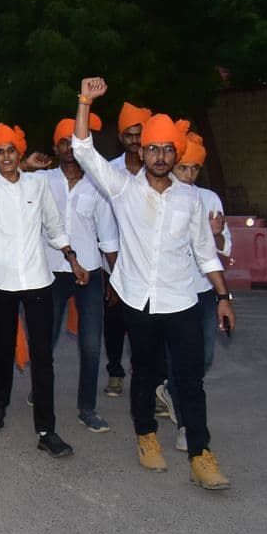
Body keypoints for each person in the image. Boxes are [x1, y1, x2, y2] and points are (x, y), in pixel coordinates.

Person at [73, 78, 233, 489]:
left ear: (175, 153)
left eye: (167, 149)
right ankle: (146, 437)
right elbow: (82, 149)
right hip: (137, 299)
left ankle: (201, 454)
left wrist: (223, 296)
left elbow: (204, 252)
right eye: (153, 149)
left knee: (190, 378)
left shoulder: (192, 200)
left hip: (181, 300)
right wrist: (85, 101)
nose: (160, 156)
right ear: (141, 151)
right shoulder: (123, 188)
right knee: (144, 372)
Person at [0, 122, 84, 458]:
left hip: (39, 281)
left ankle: (47, 429)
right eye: (0, 151)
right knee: (1, 348)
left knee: (43, 356)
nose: (6, 156)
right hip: (2, 283)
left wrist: (72, 258)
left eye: (11, 150)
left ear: (19, 152)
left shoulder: (38, 186)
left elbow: (54, 225)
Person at [45, 115, 120, 433]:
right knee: (43, 342)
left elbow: (108, 237)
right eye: (63, 142)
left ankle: (87, 407)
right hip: (49, 272)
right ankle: (42, 394)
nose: (68, 147)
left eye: (72, 142)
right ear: (55, 146)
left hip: (89, 272)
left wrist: (116, 278)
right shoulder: (42, 181)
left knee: (91, 344)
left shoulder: (98, 185)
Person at [164, 131, 231, 454]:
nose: (188, 175)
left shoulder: (210, 199)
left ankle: (169, 390)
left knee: (202, 359)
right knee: (184, 363)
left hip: (204, 291)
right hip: (174, 293)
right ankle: (186, 425)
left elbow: (221, 250)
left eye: (194, 169)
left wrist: (216, 235)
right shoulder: (162, 196)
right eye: (183, 168)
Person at [102, 101, 152, 396]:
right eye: (129, 135)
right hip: (115, 260)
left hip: (149, 263)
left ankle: (148, 376)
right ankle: (115, 370)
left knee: (146, 322)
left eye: (139, 134)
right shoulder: (111, 171)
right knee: (115, 318)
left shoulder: (159, 170)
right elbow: (106, 224)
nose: (134, 140)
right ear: (121, 137)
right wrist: (115, 271)